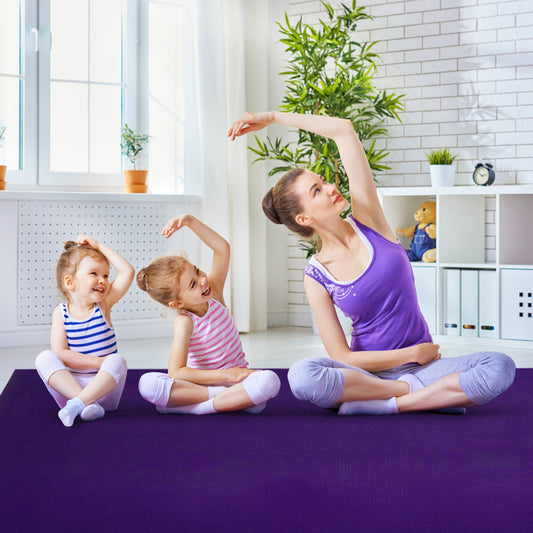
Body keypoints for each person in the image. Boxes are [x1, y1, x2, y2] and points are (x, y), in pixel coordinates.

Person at [228, 111, 516, 415]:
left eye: (323, 181)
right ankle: (415, 397)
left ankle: (384, 404)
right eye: (317, 191)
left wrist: (272, 117)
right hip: (370, 373)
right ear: (304, 218)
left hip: (421, 369)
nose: (329, 187)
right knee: (303, 376)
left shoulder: (369, 221)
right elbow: (342, 356)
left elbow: (343, 130)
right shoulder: (316, 275)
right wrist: (412, 353)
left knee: (499, 367)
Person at [136, 214, 280, 415]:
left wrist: (190, 222)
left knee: (269, 382)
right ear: (177, 302)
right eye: (193, 284)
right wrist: (225, 376)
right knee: (148, 384)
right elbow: (176, 371)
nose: (202, 280)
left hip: (238, 380)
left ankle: (196, 408)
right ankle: (219, 399)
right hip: (207, 385)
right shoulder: (184, 321)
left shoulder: (214, 292)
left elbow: (222, 249)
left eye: (197, 271)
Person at [35, 237, 134, 427]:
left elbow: (127, 272)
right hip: (70, 388)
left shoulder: (103, 305)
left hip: (104, 388)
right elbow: (61, 353)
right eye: (94, 273)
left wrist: (99, 247)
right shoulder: (60, 313)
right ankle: (84, 403)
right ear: (70, 282)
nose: (103, 280)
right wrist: (97, 361)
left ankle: (78, 404)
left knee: (117, 360)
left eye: (106, 275)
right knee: (44, 357)